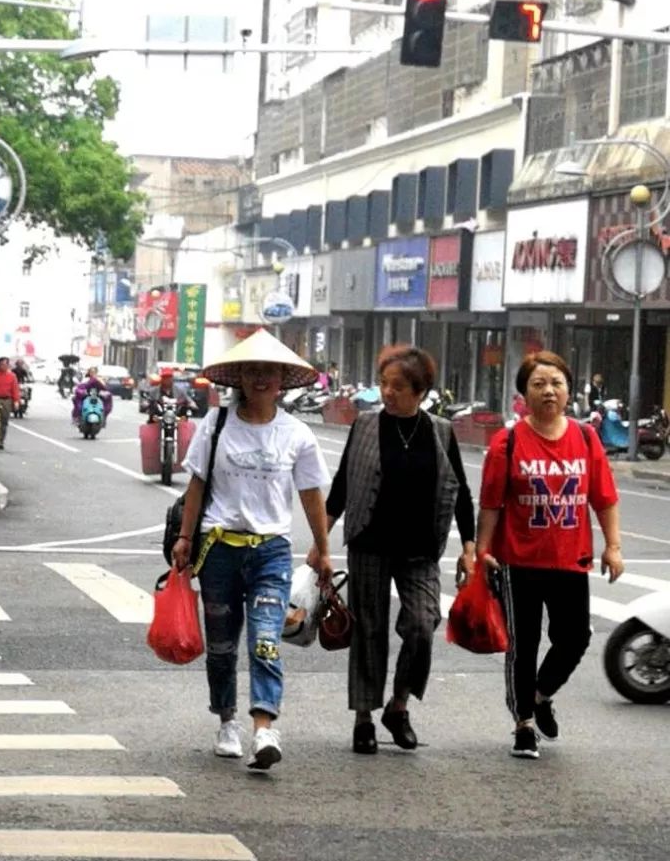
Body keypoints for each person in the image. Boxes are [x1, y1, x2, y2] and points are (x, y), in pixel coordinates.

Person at [173, 329, 332, 772]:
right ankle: (226, 720)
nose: (261, 378)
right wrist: (186, 539)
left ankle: (264, 728)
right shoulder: (217, 424)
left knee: (265, 640)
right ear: (240, 377)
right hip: (219, 549)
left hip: (271, 553)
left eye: (270, 371)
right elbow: (197, 484)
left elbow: (311, 494)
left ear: (282, 379)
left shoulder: (297, 433)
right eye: (252, 370)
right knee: (222, 646)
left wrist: (322, 549)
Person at [316, 345, 475, 756]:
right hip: (370, 540)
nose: (388, 392)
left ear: (420, 391)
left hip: (421, 548)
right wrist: (322, 539)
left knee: (423, 624)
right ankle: (364, 718)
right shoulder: (367, 424)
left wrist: (470, 546)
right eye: (384, 383)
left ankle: (399, 705)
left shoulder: (439, 431)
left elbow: (460, 493)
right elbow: (344, 484)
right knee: (369, 630)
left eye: (399, 386)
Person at [476, 351, 622, 760]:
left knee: (575, 638)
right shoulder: (507, 442)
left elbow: (604, 498)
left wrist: (613, 547)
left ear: (569, 390)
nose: (549, 391)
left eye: (556, 383)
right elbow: (490, 504)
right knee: (523, 644)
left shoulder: (586, 438)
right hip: (518, 561)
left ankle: (541, 694)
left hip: (570, 560)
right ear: (524, 393)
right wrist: (481, 551)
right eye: (538, 384)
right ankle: (523, 724)